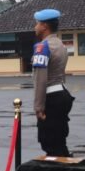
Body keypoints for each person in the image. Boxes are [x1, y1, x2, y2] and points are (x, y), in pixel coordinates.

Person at [31, 9, 75, 157]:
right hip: (62, 93)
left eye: (37, 23)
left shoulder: (42, 47)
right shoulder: (61, 45)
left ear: (44, 26)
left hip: (51, 98)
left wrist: (38, 106)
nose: (35, 27)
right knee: (59, 140)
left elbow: (40, 78)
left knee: (49, 141)